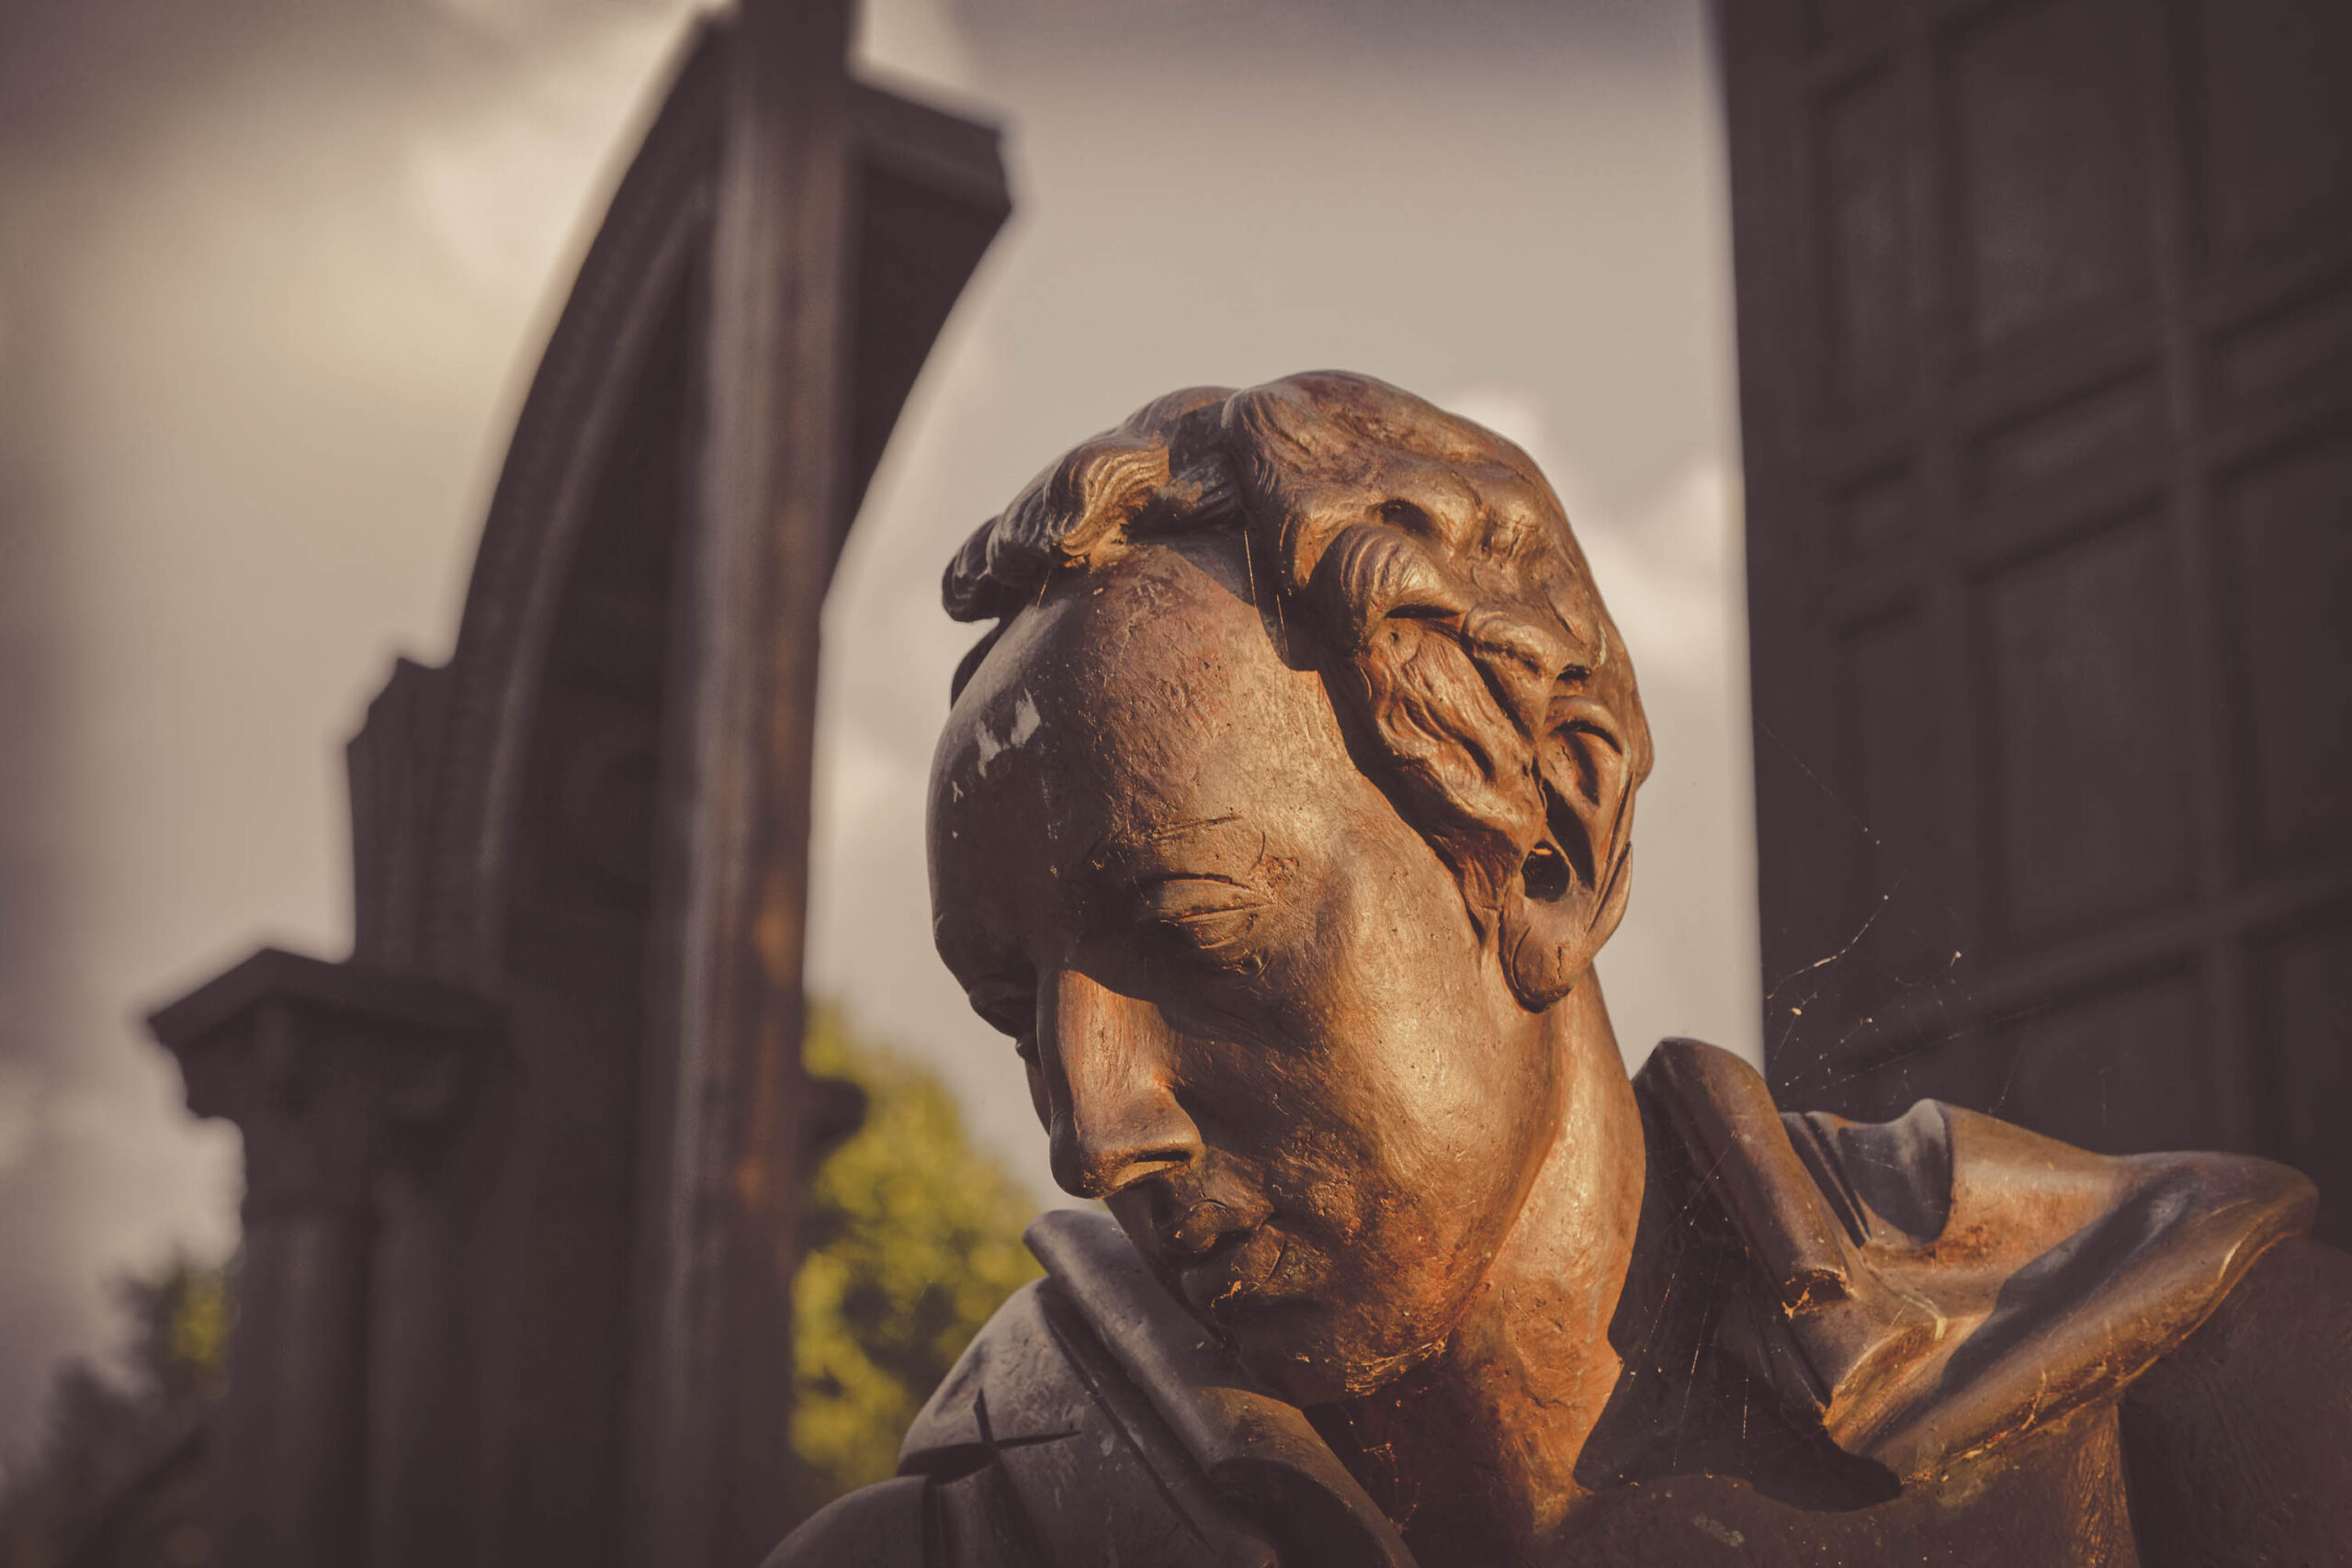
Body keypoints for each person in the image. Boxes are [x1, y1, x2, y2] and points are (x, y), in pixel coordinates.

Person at [768, 373, 2350, 1567]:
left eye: (1192, 933)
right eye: (1013, 1012)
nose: (1090, 1131)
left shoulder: (2182, 1397)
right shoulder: (970, 1539)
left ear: (1551, 849)